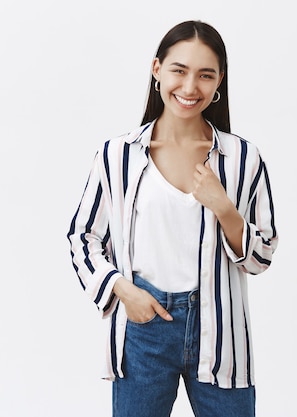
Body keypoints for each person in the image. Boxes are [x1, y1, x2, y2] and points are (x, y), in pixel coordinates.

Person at [67, 20, 278, 417]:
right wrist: (122, 291)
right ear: (156, 69)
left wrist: (224, 208)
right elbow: (82, 238)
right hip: (144, 328)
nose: (189, 87)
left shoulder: (242, 159)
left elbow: (262, 255)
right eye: (179, 70)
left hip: (220, 332)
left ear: (219, 83)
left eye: (205, 75)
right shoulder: (118, 156)